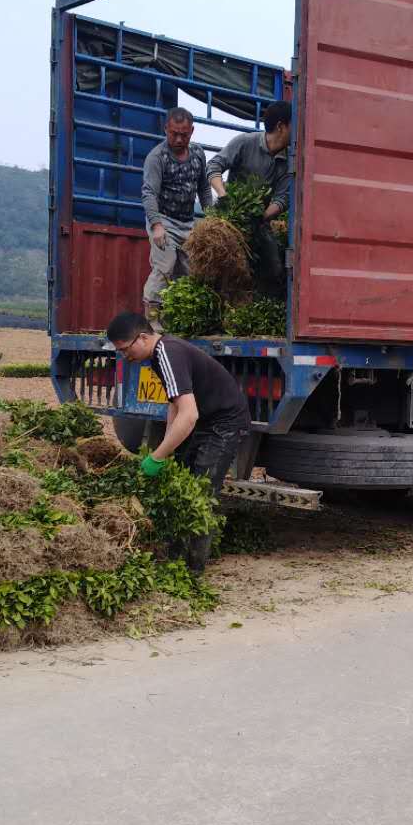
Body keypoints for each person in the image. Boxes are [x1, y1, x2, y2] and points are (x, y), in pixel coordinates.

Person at [106, 311, 250, 575]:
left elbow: (189, 414)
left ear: (142, 338)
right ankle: (174, 557)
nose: (124, 356)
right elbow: (175, 404)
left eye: (125, 349)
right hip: (206, 419)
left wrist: (157, 456)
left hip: (224, 422)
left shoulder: (168, 353)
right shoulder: (157, 356)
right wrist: (169, 449)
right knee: (180, 480)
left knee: (200, 493)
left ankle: (192, 572)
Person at [206, 100, 291, 299]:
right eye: (293, 125)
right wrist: (223, 195)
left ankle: (259, 306)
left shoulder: (288, 161)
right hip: (229, 218)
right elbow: (214, 166)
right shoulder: (245, 142)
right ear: (281, 127)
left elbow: (282, 198)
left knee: (275, 268)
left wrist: (262, 216)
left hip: (259, 222)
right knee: (224, 265)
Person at [141, 107, 213, 323]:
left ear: (192, 131)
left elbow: (204, 189)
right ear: (166, 130)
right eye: (174, 133)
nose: (179, 139)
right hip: (163, 220)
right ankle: (152, 322)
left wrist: (209, 218)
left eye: (184, 134)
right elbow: (149, 193)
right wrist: (156, 225)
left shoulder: (198, 154)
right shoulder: (157, 157)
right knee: (165, 264)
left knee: (190, 271)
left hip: (188, 222)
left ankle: (177, 320)